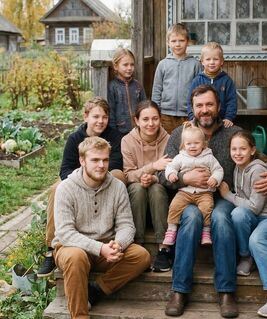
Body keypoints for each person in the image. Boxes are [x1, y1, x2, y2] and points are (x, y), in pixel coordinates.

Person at [160, 85, 267, 319]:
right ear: (192, 109)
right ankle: (179, 290)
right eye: (199, 106)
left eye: (209, 105)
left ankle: (226, 291)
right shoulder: (180, 134)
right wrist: (184, 177)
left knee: (221, 219)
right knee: (192, 219)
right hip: (188, 195)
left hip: (223, 195)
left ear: (218, 107)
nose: (204, 110)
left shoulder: (232, 132)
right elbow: (162, 173)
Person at [53, 136, 151, 319]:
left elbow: (127, 224)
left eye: (105, 160)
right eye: (95, 160)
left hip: (105, 247)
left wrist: (118, 244)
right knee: (76, 257)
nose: (101, 165)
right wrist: (100, 248)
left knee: (141, 255)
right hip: (71, 247)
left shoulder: (116, 186)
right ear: (82, 161)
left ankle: (95, 291)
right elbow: (65, 233)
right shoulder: (66, 189)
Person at [36, 97, 125, 278]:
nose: (100, 121)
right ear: (86, 117)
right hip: (78, 181)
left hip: (107, 180)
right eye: (96, 116)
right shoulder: (75, 138)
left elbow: (115, 163)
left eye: (104, 117)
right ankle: (50, 249)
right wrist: (82, 182)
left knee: (119, 176)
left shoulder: (115, 138)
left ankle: (114, 234)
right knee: (57, 188)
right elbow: (66, 169)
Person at [219, 131, 267, 318]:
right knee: (238, 214)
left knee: (256, 239)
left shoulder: (257, 170)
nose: (238, 153)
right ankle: (246, 258)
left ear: (252, 150)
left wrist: (227, 195)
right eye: (234, 149)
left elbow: (254, 207)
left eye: (243, 148)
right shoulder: (238, 168)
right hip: (255, 218)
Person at [121, 100, 173, 271]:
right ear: (137, 121)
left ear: (160, 119)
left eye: (155, 119)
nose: (150, 124)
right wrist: (152, 167)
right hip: (138, 195)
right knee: (137, 187)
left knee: (156, 188)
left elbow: (172, 171)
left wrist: (154, 178)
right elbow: (128, 175)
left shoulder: (169, 140)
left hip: (161, 196)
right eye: (145, 119)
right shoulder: (127, 141)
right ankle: (138, 245)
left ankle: (164, 247)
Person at [164, 125, 223, 246]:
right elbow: (170, 167)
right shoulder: (180, 157)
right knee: (174, 206)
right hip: (184, 192)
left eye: (196, 143)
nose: (192, 146)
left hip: (204, 192)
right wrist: (171, 174)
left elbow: (218, 170)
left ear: (203, 144)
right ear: (183, 145)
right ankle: (171, 230)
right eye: (189, 143)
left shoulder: (209, 157)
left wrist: (214, 178)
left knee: (207, 208)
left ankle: (206, 232)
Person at [151, 23, 201, 133]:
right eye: (173, 41)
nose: (177, 44)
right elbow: (157, 90)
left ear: (187, 42)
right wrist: (156, 112)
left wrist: (194, 111)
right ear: (168, 43)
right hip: (165, 115)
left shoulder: (195, 64)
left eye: (181, 40)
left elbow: (199, 91)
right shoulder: (163, 64)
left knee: (187, 143)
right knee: (168, 144)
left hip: (187, 114)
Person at [187, 42, 237, 127]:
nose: (212, 62)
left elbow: (232, 101)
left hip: (222, 122)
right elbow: (190, 101)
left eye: (215, 59)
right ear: (202, 62)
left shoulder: (227, 81)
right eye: (208, 59)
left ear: (221, 61)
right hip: (201, 121)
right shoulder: (197, 81)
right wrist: (192, 117)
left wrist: (229, 118)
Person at [107, 47, 147, 135]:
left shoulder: (138, 85)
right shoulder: (112, 87)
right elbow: (111, 112)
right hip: (120, 132)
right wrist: (113, 133)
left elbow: (144, 107)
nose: (129, 68)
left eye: (132, 65)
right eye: (125, 65)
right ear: (116, 66)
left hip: (138, 131)